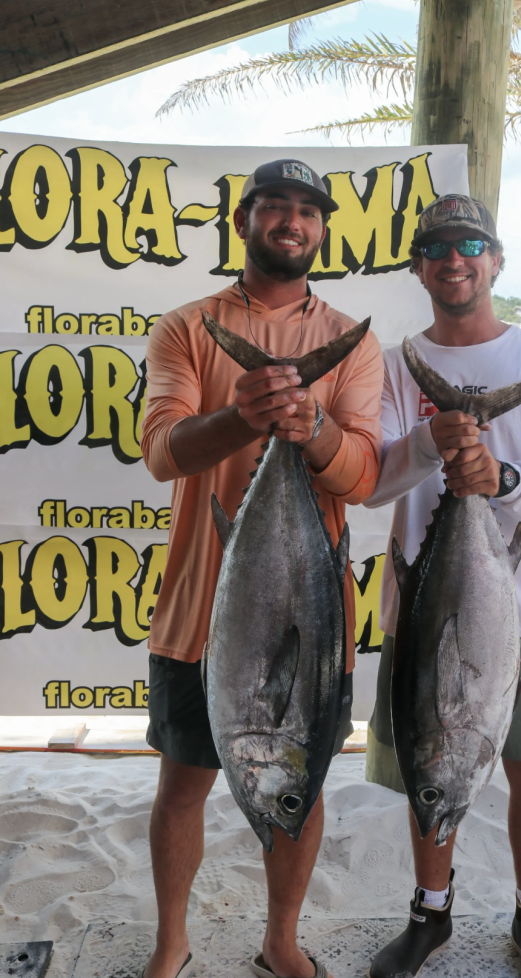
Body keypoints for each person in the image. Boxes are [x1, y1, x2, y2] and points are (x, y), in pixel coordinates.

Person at [140, 159, 383, 978]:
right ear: (243, 221)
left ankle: (280, 939)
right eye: (275, 206)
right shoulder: (187, 326)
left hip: (310, 622)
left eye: (308, 211)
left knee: (300, 788)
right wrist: (240, 415)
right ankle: (173, 941)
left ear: (322, 230)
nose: (292, 221)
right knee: (182, 786)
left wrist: (308, 428)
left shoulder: (354, 341)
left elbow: (361, 474)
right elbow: (162, 452)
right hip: (196, 610)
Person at [364, 194, 521, 978]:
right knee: (431, 766)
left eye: (470, 244)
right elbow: (369, 482)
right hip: (424, 613)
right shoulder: (394, 366)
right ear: (417, 267)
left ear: (496, 260)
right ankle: (431, 914)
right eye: (435, 247)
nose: (453, 258)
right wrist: (431, 444)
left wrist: (500, 477)